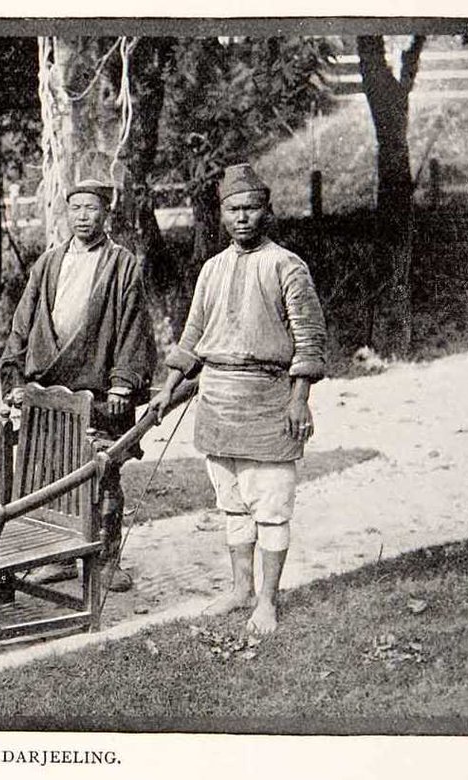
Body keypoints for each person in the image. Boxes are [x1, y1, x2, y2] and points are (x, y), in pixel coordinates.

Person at [148, 163, 326, 634]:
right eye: (233, 209)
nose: (242, 217)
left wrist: (298, 399)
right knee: (231, 505)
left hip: (269, 399)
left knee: (270, 506)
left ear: (266, 211)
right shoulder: (211, 269)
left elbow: (309, 340)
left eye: (251, 208)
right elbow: (192, 337)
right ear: (222, 214)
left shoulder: (287, 265)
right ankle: (240, 590)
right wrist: (167, 389)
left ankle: (267, 602)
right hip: (217, 401)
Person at [0, 178, 157, 593]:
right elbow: (22, 324)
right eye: (76, 209)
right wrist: (15, 378)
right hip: (50, 394)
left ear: (106, 212)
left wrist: (124, 384)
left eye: (91, 208)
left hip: (100, 394)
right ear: (65, 213)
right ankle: (59, 557)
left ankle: (106, 559)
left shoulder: (121, 265)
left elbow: (134, 328)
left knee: (102, 476)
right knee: (52, 477)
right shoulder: (49, 263)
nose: (83, 216)